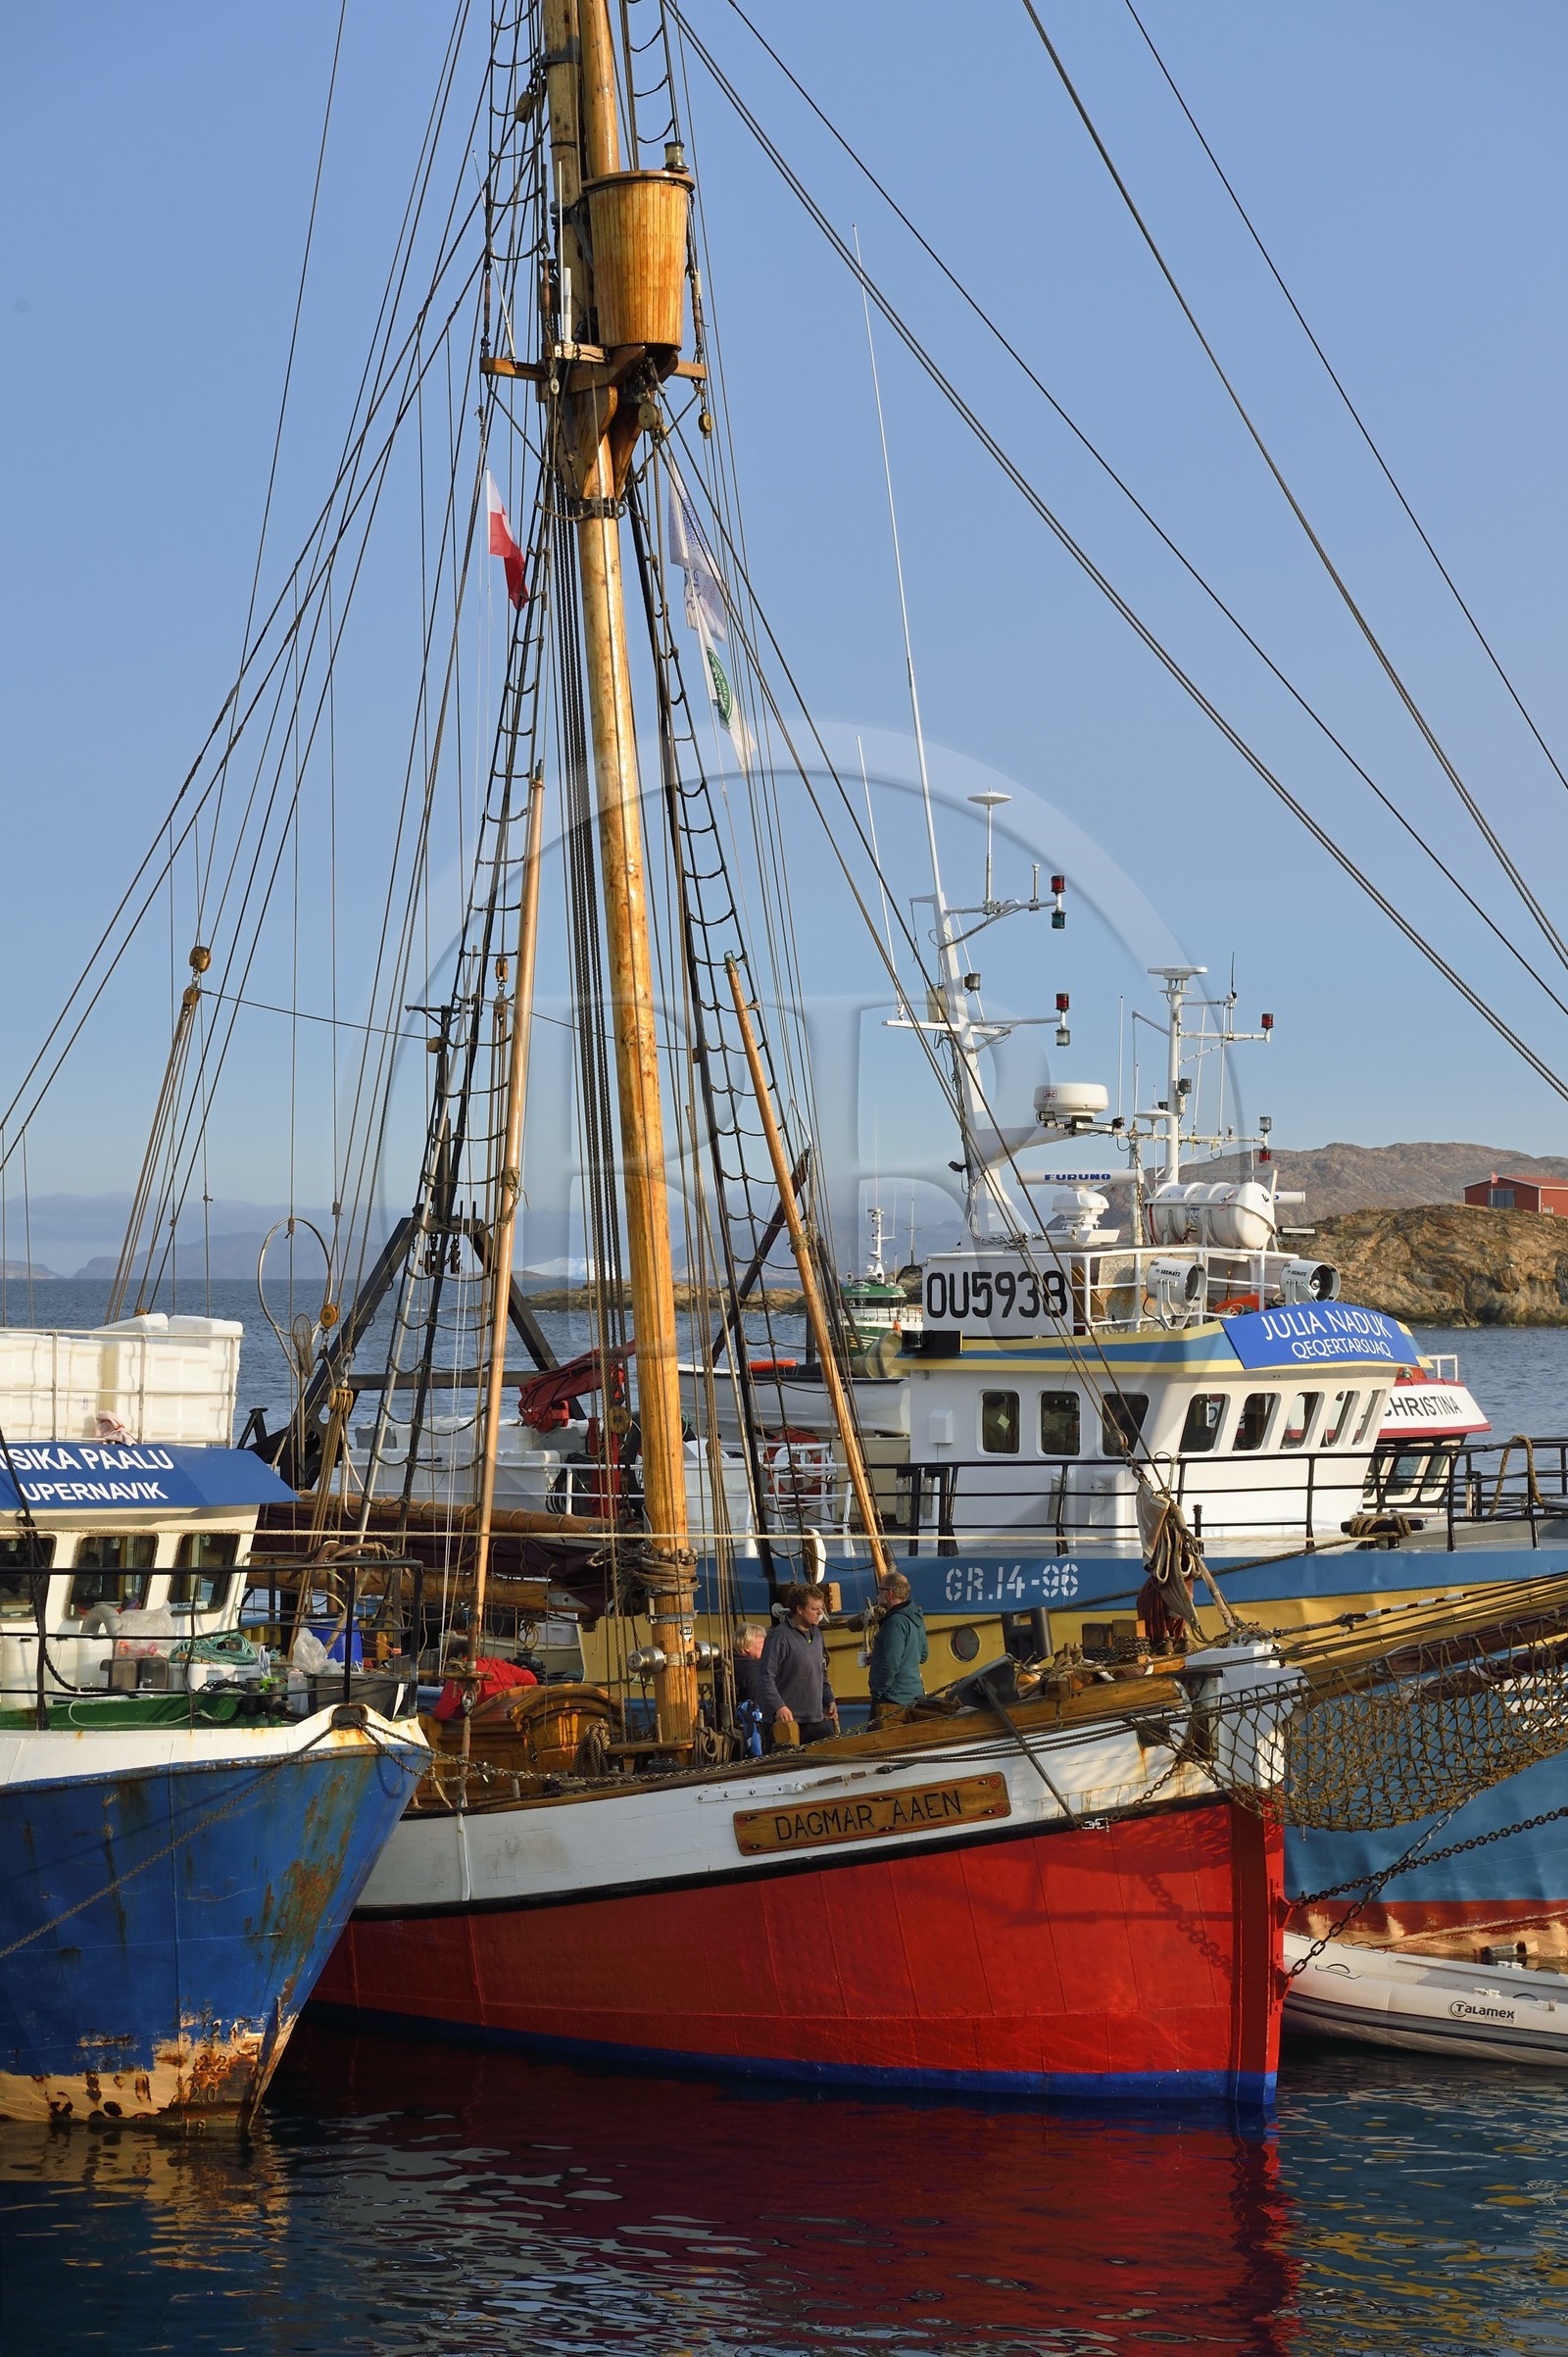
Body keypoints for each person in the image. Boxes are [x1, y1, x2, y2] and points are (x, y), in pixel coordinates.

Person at [759, 1582, 838, 1744]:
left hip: (816, 1718)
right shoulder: (779, 1637)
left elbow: (821, 1672)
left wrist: (829, 1700)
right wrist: (778, 1707)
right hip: (788, 1721)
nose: (819, 1613)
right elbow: (765, 1677)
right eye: (814, 1609)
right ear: (799, 1609)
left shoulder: (817, 1634)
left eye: (820, 1608)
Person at [867, 1569, 928, 1716]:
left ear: (889, 1593)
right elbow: (923, 1655)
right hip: (913, 1695)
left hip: (893, 1698)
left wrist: (877, 1691)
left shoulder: (894, 1622)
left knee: (875, 1737)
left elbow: (891, 1663)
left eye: (880, 1590)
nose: (878, 1594)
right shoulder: (916, 1617)